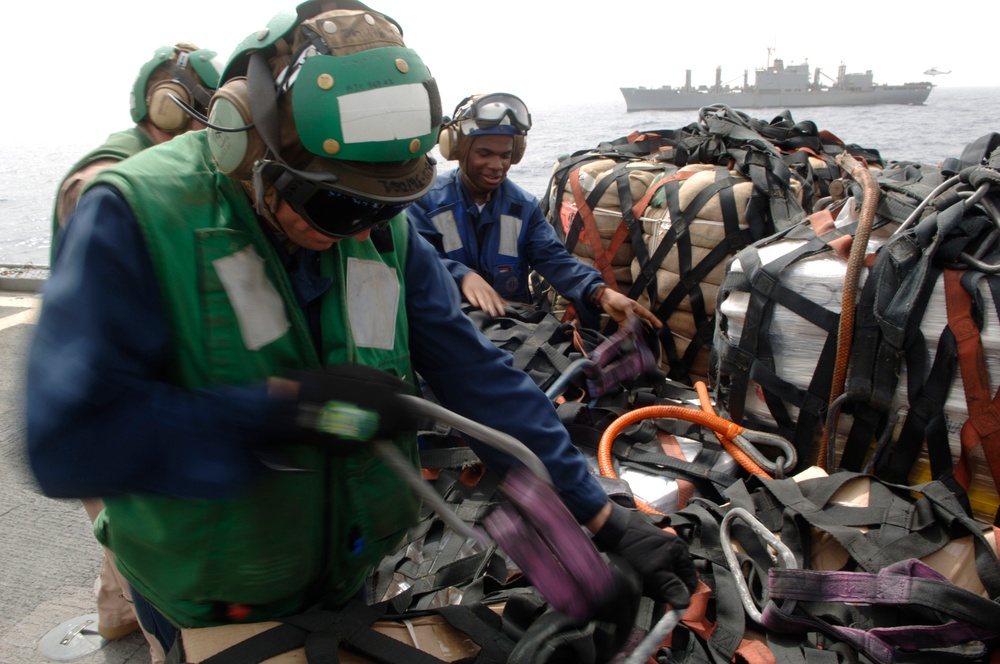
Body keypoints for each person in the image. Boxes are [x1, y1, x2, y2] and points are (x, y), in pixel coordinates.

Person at [25, 1, 697, 657]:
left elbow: (479, 379)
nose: (363, 232)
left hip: (349, 580)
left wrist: (603, 518)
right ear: (245, 143)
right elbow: (66, 439)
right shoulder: (137, 216)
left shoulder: (382, 234)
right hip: (209, 599)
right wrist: (279, 412)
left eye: (382, 206)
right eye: (338, 205)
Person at [47, 41, 221, 660]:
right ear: (173, 109)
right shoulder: (110, 175)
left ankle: (114, 615)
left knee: (121, 558)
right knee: (140, 560)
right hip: (113, 401)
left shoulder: (147, 163)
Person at [408, 92, 662, 332]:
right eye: (484, 154)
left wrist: (599, 292)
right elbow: (413, 260)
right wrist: (461, 275)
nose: (497, 166)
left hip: (510, 331)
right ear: (459, 151)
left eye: (505, 155)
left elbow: (555, 260)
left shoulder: (522, 208)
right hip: (446, 329)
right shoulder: (426, 203)